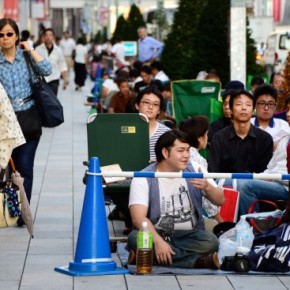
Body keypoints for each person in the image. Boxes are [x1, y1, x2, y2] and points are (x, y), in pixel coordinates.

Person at [127, 130, 224, 269]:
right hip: (156, 232)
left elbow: (220, 200)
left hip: (189, 235)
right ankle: (197, 262)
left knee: (211, 242)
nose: (186, 155)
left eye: (187, 150)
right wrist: (159, 242)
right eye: (180, 151)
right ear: (165, 153)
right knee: (134, 238)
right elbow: (138, 218)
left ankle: (144, 257)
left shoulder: (195, 169)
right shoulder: (143, 177)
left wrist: (207, 187)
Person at [0, 18, 52, 208]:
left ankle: (24, 209)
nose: (5, 38)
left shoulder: (26, 56)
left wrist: (30, 49)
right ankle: (11, 205)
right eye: (1, 35)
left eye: (9, 34)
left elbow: (47, 69)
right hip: (5, 122)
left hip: (29, 118)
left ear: (16, 36)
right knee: (7, 168)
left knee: (25, 167)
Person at [209, 89, 273, 174]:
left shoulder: (265, 139)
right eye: (239, 104)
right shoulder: (219, 138)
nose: (244, 108)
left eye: (248, 105)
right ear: (231, 109)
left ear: (253, 109)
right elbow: (213, 172)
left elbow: (267, 173)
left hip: (256, 185)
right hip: (225, 185)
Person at [179, 116, 223, 223]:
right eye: (206, 134)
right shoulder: (197, 160)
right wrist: (220, 220)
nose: (207, 137)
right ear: (200, 138)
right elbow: (204, 194)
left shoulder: (181, 154)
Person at [237, 132, 290, 216]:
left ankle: (251, 225)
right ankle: (225, 225)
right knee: (226, 181)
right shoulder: (284, 139)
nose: (288, 117)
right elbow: (271, 167)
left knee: (245, 185)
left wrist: (271, 177)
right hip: (271, 178)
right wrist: (260, 176)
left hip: (286, 187)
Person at [251, 84, 290, 149]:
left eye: (270, 104)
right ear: (255, 105)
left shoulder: (284, 126)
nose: (266, 108)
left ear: (275, 106)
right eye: (262, 103)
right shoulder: (248, 125)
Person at [35, 28, 68, 96]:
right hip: (42, 80)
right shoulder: (38, 49)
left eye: (50, 35)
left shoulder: (58, 50)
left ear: (53, 37)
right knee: (43, 101)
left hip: (54, 79)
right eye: (46, 35)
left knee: (53, 101)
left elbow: (62, 66)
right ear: (43, 37)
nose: (48, 37)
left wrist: (65, 81)